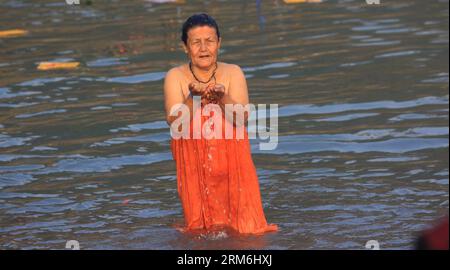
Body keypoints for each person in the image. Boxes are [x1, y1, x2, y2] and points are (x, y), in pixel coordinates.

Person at [164, 13, 277, 234]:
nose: (204, 48)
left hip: (235, 164)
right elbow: (175, 124)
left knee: (246, 231)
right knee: (198, 230)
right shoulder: (175, 76)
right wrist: (193, 97)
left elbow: (241, 117)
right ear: (185, 47)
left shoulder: (233, 72)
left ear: (219, 43)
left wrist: (222, 97)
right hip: (193, 166)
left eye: (210, 41)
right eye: (196, 42)